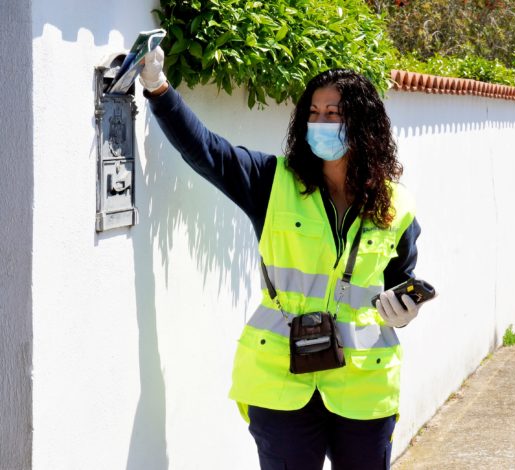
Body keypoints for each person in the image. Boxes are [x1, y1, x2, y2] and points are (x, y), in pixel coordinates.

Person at [140, 46, 423, 469]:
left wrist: (404, 310)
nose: (322, 123)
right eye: (314, 112)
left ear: (364, 124)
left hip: (365, 383)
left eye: (335, 113)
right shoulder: (272, 182)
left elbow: (402, 281)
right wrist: (158, 90)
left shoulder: (396, 206)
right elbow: (208, 152)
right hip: (279, 377)